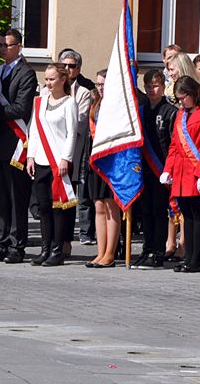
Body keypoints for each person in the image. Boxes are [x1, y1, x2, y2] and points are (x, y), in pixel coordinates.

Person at [0, 29, 38, 263]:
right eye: (0, 46)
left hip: (17, 143)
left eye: (7, 45)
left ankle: (17, 246)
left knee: (17, 197)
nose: (2, 49)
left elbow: (21, 108)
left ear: (19, 46)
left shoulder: (26, 73)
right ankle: (0, 242)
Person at [160, 76, 200, 273]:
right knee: (186, 214)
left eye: (182, 97)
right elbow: (175, 145)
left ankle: (196, 260)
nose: (180, 102)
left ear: (192, 93)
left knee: (198, 215)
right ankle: (188, 257)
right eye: (177, 99)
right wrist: (167, 169)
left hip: (197, 170)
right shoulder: (181, 114)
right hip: (180, 170)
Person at [26, 63, 78, 267]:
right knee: (43, 207)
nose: (48, 83)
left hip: (58, 162)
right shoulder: (39, 102)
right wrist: (30, 156)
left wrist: (66, 158)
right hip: (40, 161)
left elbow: (72, 133)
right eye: (46, 79)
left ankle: (57, 251)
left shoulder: (69, 103)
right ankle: (44, 249)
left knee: (59, 208)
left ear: (62, 79)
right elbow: (35, 131)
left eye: (52, 79)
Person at [132, 69, 177, 269]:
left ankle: (158, 251)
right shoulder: (141, 110)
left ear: (163, 87)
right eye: (148, 86)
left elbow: (174, 142)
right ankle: (147, 248)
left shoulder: (170, 111)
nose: (152, 90)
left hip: (161, 168)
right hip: (144, 169)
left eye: (156, 86)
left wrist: (169, 169)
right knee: (145, 211)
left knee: (159, 212)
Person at [82, 69, 122, 268]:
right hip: (95, 159)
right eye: (98, 84)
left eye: (103, 84)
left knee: (110, 206)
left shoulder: (117, 105)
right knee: (98, 206)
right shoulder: (96, 104)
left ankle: (110, 253)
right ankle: (100, 251)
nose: (100, 87)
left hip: (112, 160)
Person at [57, 48, 95, 248]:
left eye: (72, 66)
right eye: (64, 65)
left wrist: (56, 126)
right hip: (50, 150)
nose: (67, 69)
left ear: (78, 69)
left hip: (73, 151)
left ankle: (67, 240)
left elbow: (78, 124)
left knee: (72, 196)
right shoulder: (47, 90)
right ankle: (52, 239)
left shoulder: (83, 93)